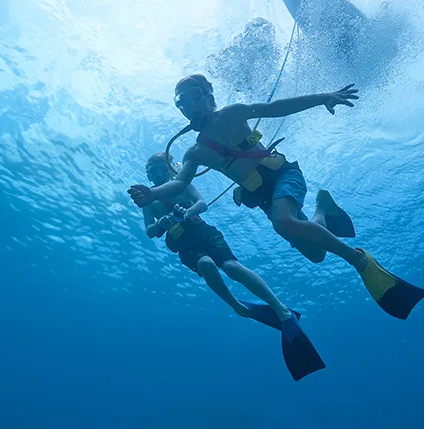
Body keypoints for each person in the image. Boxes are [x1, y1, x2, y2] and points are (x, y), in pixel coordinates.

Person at [128, 74, 424, 320]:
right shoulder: (195, 151)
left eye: (194, 95)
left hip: (283, 174)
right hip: (262, 196)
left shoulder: (233, 114)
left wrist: (323, 97)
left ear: (208, 95)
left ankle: (358, 260)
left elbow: (278, 108)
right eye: (181, 103)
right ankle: (322, 209)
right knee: (315, 254)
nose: (189, 106)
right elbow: (180, 182)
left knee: (283, 222)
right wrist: (151, 192)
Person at [139, 152, 325, 381]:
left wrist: (186, 212)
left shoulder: (181, 184)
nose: (156, 177)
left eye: (159, 170)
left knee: (232, 267)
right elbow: (150, 231)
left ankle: (281, 309)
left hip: (203, 232)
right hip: (183, 243)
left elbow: (202, 203)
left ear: (168, 169)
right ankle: (237, 306)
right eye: (151, 173)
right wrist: (163, 222)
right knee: (206, 264)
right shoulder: (149, 201)